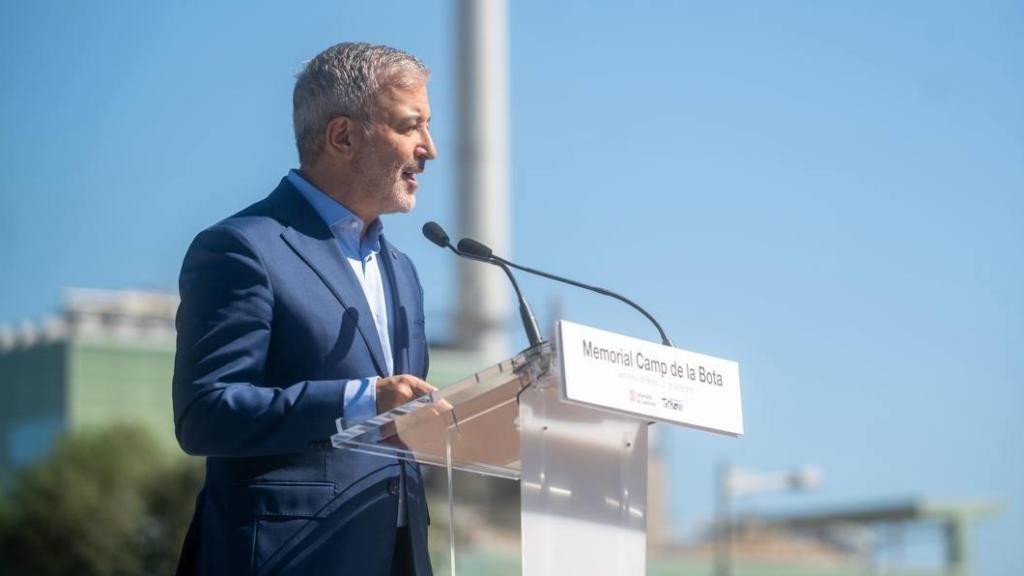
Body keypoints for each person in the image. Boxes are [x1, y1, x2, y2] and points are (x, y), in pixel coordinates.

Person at [172, 42, 438, 576]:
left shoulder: (403, 269)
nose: (429, 148)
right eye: (411, 126)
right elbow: (206, 414)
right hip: (286, 557)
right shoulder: (242, 248)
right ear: (343, 136)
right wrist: (363, 398)